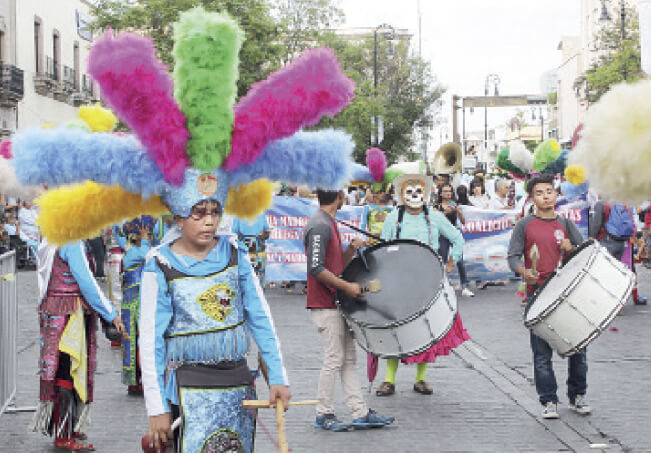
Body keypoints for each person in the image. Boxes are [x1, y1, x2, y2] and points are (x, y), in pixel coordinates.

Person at [140, 174, 291, 452]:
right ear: (178, 216)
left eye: (215, 212)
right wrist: (156, 407)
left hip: (237, 385)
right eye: (198, 213)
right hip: (188, 389)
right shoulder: (159, 265)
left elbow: (261, 317)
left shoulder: (235, 254)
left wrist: (278, 376)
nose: (209, 222)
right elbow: (151, 342)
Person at [304, 189, 394, 431]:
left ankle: (360, 411)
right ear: (340, 196)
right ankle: (323, 413)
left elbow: (333, 267)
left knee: (348, 360)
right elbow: (315, 268)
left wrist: (350, 251)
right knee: (334, 360)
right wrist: (347, 286)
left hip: (335, 303)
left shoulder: (328, 222)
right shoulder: (319, 225)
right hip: (324, 304)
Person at [376, 174, 470, 396]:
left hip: (428, 280)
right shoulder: (393, 218)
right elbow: (383, 247)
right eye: (409, 191)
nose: (414, 195)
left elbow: (457, 238)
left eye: (418, 191)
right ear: (402, 195)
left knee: (427, 327)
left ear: (426, 194)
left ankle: (420, 379)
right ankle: (389, 380)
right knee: (394, 328)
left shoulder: (435, 217)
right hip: (399, 280)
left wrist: (450, 263)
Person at [31, 237, 126, 451]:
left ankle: (65, 427)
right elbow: (87, 282)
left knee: (64, 371)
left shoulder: (52, 239)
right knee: (67, 373)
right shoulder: (72, 242)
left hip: (55, 312)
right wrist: (110, 314)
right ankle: (64, 435)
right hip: (68, 316)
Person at [507, 174, 590, 419]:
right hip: (538, 295)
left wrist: (571, 249)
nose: (546, 197)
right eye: (540, 193)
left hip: (568, 296)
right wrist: (524, 272)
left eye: (549, 192)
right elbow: (512, 257)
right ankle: (548, 400)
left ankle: (577, 396)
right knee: (542, 354)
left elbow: (584, 254)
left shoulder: (565, 224)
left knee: (578, 350)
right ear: (532, 199)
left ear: (556, 195)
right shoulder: (525, 225)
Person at [589, 200, 647, 305]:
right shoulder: (623, 202)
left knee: (606, 273)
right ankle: (622, 299)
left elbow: (596, 223)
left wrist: (591, 238)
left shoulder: (601, 203)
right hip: (622, 242)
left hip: (607, 242)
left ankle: (609, 302)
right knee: (618, 272)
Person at [121, 219, 153, 394]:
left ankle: (141, 378)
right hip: (135, 303)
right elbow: (147, 254)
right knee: (137, 341)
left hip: (139, 301)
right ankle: (138, 380)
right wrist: (145, 238)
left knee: (140, 340)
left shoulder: (134, 251)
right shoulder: (134, 253)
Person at [436, 183, 474, 297]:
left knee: (460, 260)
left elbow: (463, 222)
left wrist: (460, 213)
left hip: (454, 234)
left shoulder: (454, 205)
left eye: (450, 191)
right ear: (441, 193)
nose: (448, 193)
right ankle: (441, 286)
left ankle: (464, 286)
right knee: (441, 260)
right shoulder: (436, 207)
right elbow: (434, 221)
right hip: (443, 235)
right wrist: (444, 213)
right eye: (445, 191)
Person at [231, 213, 271, 286]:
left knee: (258, 274)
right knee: (246, 274)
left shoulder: (261, 213)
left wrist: (265, 234)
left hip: (258, 249)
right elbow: (234, 233)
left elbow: (267, 232)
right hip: (246, 249)